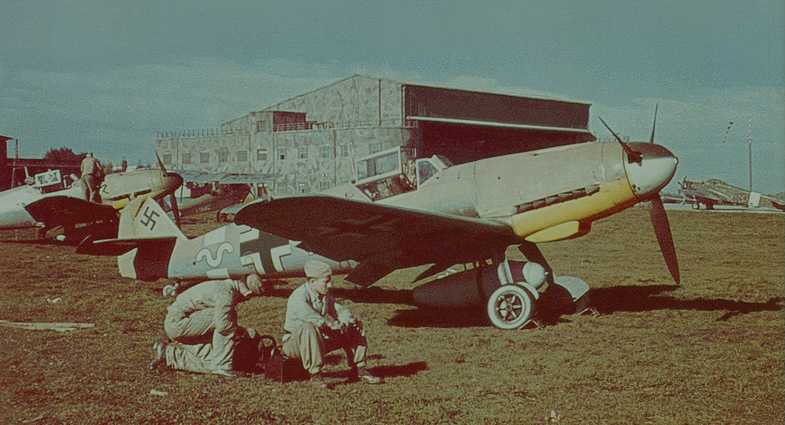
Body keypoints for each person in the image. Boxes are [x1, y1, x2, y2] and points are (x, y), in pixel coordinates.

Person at [282, 260, 382, 388]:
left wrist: (348, 320)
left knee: (354, 325)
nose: (330, 285)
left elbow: (338, 309)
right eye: (326, 281)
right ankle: (315, 375)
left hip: (317, 340)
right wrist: (332, 324)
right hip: (295, 345)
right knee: (308, 327)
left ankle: (360, 368)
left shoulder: (323, 293)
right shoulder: (298, 297)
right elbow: (311, 317)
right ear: (312, 282)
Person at [148, 273, 271, 378]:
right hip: (178, 323)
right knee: (226, 317)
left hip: (182, 324)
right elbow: (224, 327)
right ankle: (223, 367)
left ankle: (168, 355)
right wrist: (243, 333)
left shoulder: (225, 288)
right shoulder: (225, 293)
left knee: (212, 358)